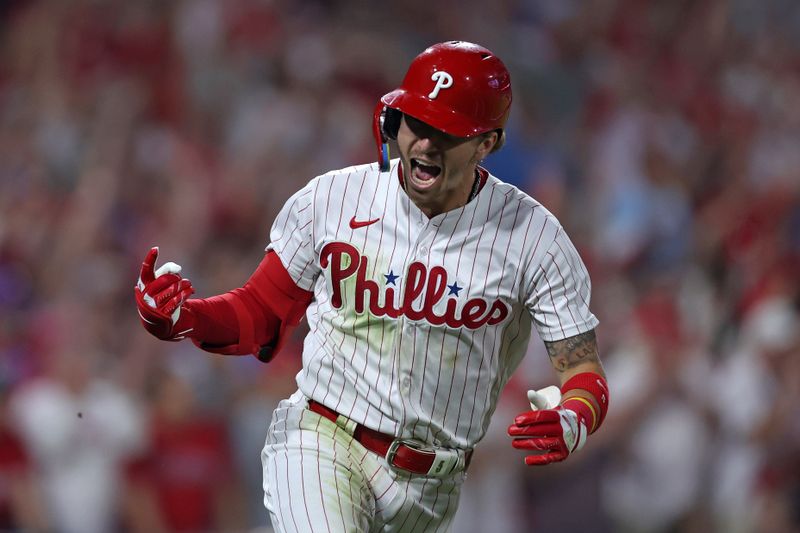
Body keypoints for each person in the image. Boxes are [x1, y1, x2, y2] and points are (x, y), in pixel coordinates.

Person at [135, 41, 609, 532]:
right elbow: (258, 314)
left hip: (434, 485)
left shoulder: (535, 237)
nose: (424, 142)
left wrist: (575, 415)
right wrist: (185, 318)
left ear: (487, 142)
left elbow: (581, 369)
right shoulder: (332, 198)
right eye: (415, 122)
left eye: (446, 132)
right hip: (322, 441)